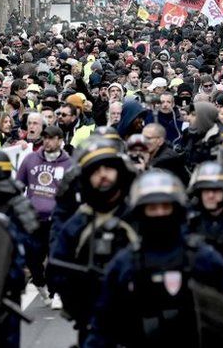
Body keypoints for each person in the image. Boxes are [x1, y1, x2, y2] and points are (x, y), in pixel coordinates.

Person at [83, 170, 223, 348]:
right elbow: (103, 323)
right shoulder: (125, 263)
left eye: (165, 207)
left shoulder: (202, 257)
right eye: (153, 209)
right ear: (141, 212)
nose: (160, 214)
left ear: (176, 210)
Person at [49, 139, 138, 337]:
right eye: (96, 170)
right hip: (94, 322)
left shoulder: (138, 215)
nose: (103, 175)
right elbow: (57, 269)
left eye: (108, 168)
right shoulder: (79, 223)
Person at [15, 124, 71, 306]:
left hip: (57, 219)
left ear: (60, 140)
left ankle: (56, 293)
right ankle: (40, 284)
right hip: (33, 219)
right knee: (32, 257)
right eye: (45, 137)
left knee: (56, 256)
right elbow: (18, 186)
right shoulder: (31, 159)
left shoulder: (69, 164)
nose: (48, 141)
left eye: (52, 138)